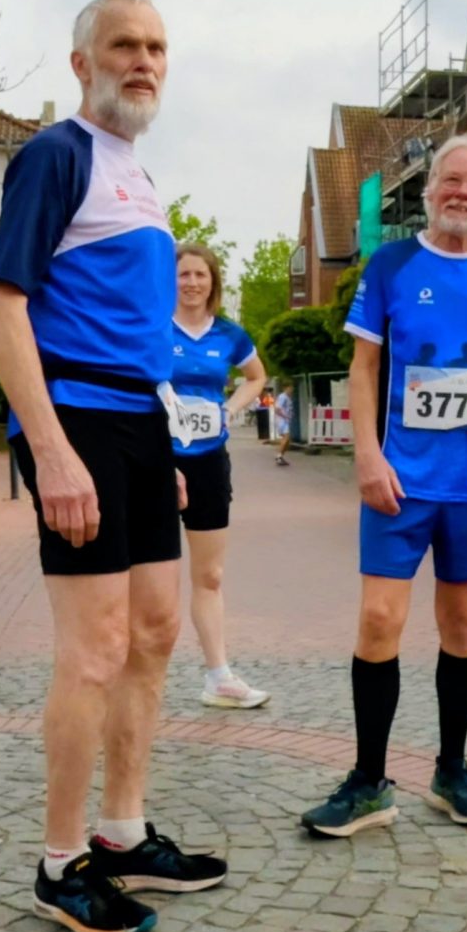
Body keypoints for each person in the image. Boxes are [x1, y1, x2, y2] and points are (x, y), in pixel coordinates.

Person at [0, 0, 228, 932]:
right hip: (74, 419)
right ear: (81, 61)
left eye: (158, 46)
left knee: (158, 629)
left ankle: (123, 834)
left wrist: (158, 442)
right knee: (93, 647)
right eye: (124, 45)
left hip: (137, 426)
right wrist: (50, 451)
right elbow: (3, 308)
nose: (145, 60)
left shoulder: (143, 176)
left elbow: (135, 330)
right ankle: (58, 863)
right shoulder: (57, 154)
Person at [300, 134, 467, 839]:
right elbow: (362, 366)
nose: (462, 192)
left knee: (462, 626)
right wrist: (367, 453)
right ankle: (369, 780)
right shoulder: (393, 264)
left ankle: (452, 769)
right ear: (430, 186)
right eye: (452, 179)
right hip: (399, 483)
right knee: (379, 619)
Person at [165, 240, 273, 710]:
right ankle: (127, 673)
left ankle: (219, 676)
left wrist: (228, 409)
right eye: (183, 275)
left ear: (213, 282)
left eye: (199, 275)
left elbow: (256, 377)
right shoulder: (150, 328)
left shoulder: (228, 334)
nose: (191, 283)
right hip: (154, 460)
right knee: (146, 572)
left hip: (208, 459)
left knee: (208, 574)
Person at [271, 383, 295, 466]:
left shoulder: (288, 397)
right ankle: (279, 456)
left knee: (288, 440)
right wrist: (285, 416)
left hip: (285, 421)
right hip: (282, 421)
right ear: (286, 388)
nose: (292, 390)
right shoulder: (282, 397)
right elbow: (277, 409)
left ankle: (281, 456)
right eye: (290, 387)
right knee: (286, 437)